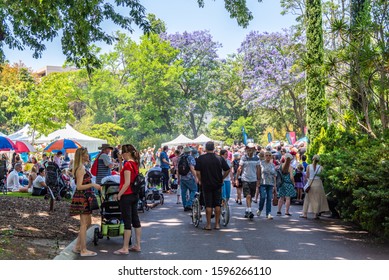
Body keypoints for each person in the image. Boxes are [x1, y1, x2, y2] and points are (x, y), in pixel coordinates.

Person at [69, 147, 102, 257]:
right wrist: (93, 185)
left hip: (86, 197)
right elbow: (79, 186)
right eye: (87, 154)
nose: (88, 155)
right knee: (83, 224)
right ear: (82, 156)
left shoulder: (82, 167)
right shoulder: (81, 168)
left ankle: (77, 247)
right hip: (82, 197)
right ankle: (83, 250)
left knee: (87, 223)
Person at [195, 141, 230, 230]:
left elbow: (198, 172)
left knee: (208, 205)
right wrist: (222, 177)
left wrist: (200, 180)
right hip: (217, 183)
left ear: (206, 148)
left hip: (206, 184)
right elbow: (227, 169)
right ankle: (217, 224)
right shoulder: (219, 158)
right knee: (217, 204)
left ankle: (209, 225)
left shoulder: (201, 158)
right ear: (213, 148)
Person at [114, 144, 142, 254]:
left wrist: (119, 194)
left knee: (127, 221)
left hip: (127, 195)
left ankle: (125, 247)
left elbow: (126, 183)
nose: (122, 155)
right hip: (135, 194)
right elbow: (122, 174)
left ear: (127, 153)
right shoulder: (135, 164)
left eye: (123, 153)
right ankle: (137, 245)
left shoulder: (128, 165)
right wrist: (121, 162)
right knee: (136, 219)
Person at [235, 143, 261, 219]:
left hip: (253, 179)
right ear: (246, 149)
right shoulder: (243, 158)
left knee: (251, 196)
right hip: (245, 179)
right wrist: (237, 178)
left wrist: (258, 179)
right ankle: (249, 210)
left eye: (251, 148)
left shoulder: (256, 158)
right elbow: (240, 168)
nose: (250, 150)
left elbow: (258, 169)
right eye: (248, 148)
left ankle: (247, 209)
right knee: (248, 195)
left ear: (254, 150)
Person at [300, 155, 330, 220]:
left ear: (312, 159)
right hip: (319, 184)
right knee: (317, 199)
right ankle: (315, 215)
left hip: (311, 183)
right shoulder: (321, 167)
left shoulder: (308, 166)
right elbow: (323, 176)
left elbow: (307, 176)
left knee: (307, 199)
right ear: (319, 160)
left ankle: (304, 214)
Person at [257, 150, 277, 219]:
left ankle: (268, 213)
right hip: (263, 183)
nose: (268, 157)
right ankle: (260, 209)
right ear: (264, 156)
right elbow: (259, 173)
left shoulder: (273, 165)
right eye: (266, 155)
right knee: (262, 197)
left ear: (271, 157)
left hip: (270, 183)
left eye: (269, 155)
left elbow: (274, 175)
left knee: (269, 198)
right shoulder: (261, 163)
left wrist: (275, 186)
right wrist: (258, 182)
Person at [178, 146, 198, 211]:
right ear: (190, 152)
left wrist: (178, 178)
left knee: (183, 192)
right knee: (194, 190)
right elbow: (192, 168)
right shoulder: (190, 158)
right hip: (189, 177)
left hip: (182, 177)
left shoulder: (180, 158)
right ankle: (189, 204)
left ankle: (184, 205)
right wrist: (196, 177)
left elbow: (178, 169)